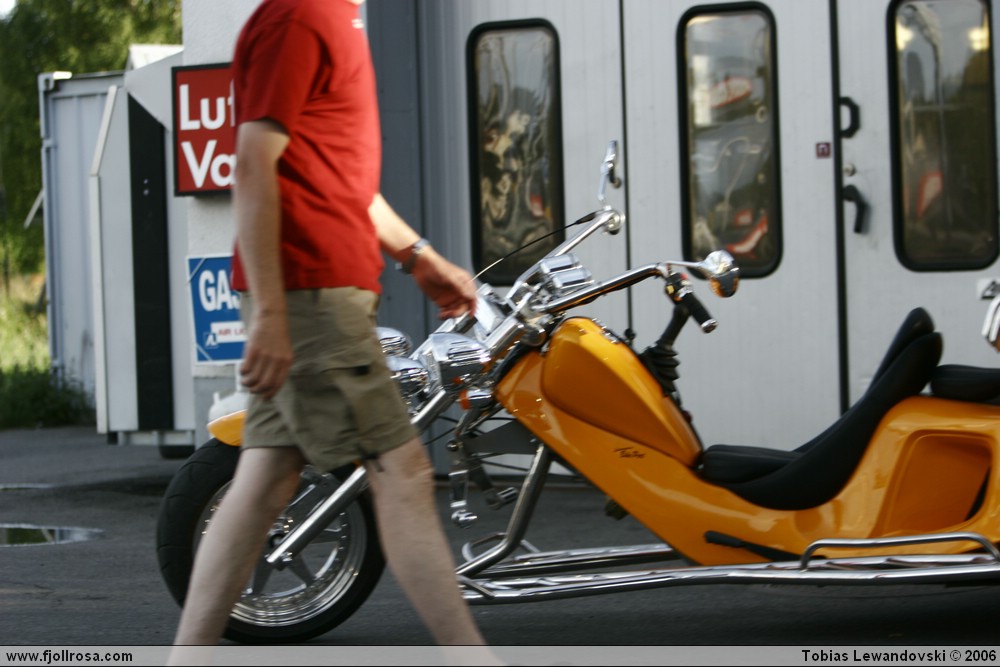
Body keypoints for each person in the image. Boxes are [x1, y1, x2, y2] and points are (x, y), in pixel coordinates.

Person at [168, 0, 500, 662]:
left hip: (313, 294)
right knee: (401, 470)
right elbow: (253, 163)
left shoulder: (331, 17)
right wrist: (271, 313)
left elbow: (337, 177)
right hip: (310, 296)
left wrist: (419, 257)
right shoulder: (300, 17)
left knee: (265, 479)